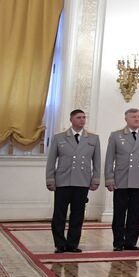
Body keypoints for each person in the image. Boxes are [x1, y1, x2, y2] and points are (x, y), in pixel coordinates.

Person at [45, 108, 101, 253]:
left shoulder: (93, 138)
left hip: (82, 181)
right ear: (71, 120)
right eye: (78, 117)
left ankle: (73, 244)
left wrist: (95, 179)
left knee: (78, 214)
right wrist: (50, 179)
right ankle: (59, 244)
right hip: (63, 181)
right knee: (59, 214)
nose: (82, 120)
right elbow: (51, 161)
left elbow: (97, 161)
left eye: (83, 117)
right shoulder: (60, 138)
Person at [105, 108, 139, 250]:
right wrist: (109, 179)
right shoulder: (116, 135)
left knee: (135, 214)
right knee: (119, 214)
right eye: (134, 117)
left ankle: (131, 242)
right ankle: (118, 242)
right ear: (126, 119)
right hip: (121, 180)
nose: (137, 119)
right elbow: (109, 159)